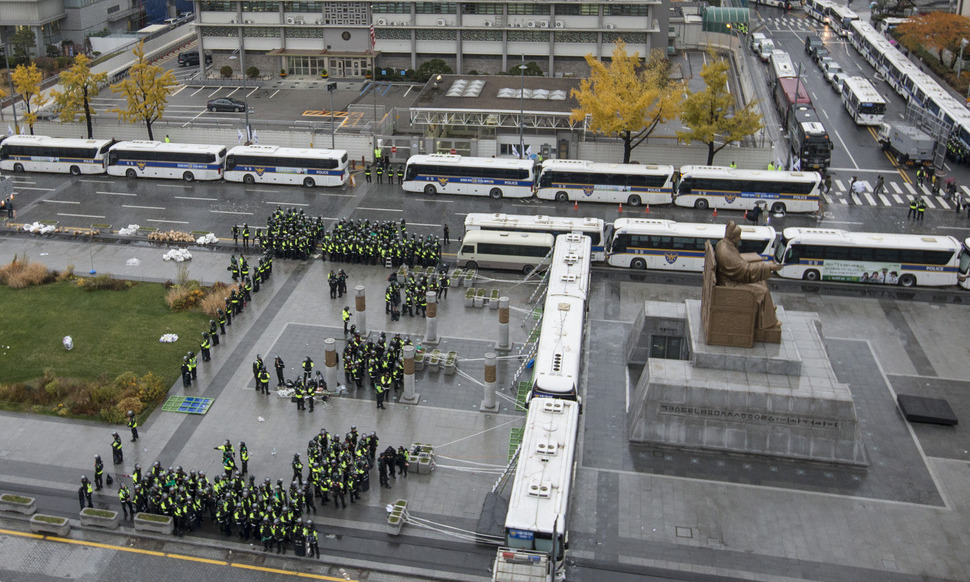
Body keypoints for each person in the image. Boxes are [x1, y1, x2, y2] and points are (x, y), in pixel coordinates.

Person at [714, 221, 783, 332]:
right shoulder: (725, 251)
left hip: (733, 277)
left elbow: (739, 264)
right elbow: (744, 271)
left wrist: (759, 266)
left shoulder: (723, 244)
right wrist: (768, 268)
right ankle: (768, 324)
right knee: (763, 291)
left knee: (761, 281)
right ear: (733, 237)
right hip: (730, 284)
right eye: (738, 237)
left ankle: (767, 310)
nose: (739, 239)